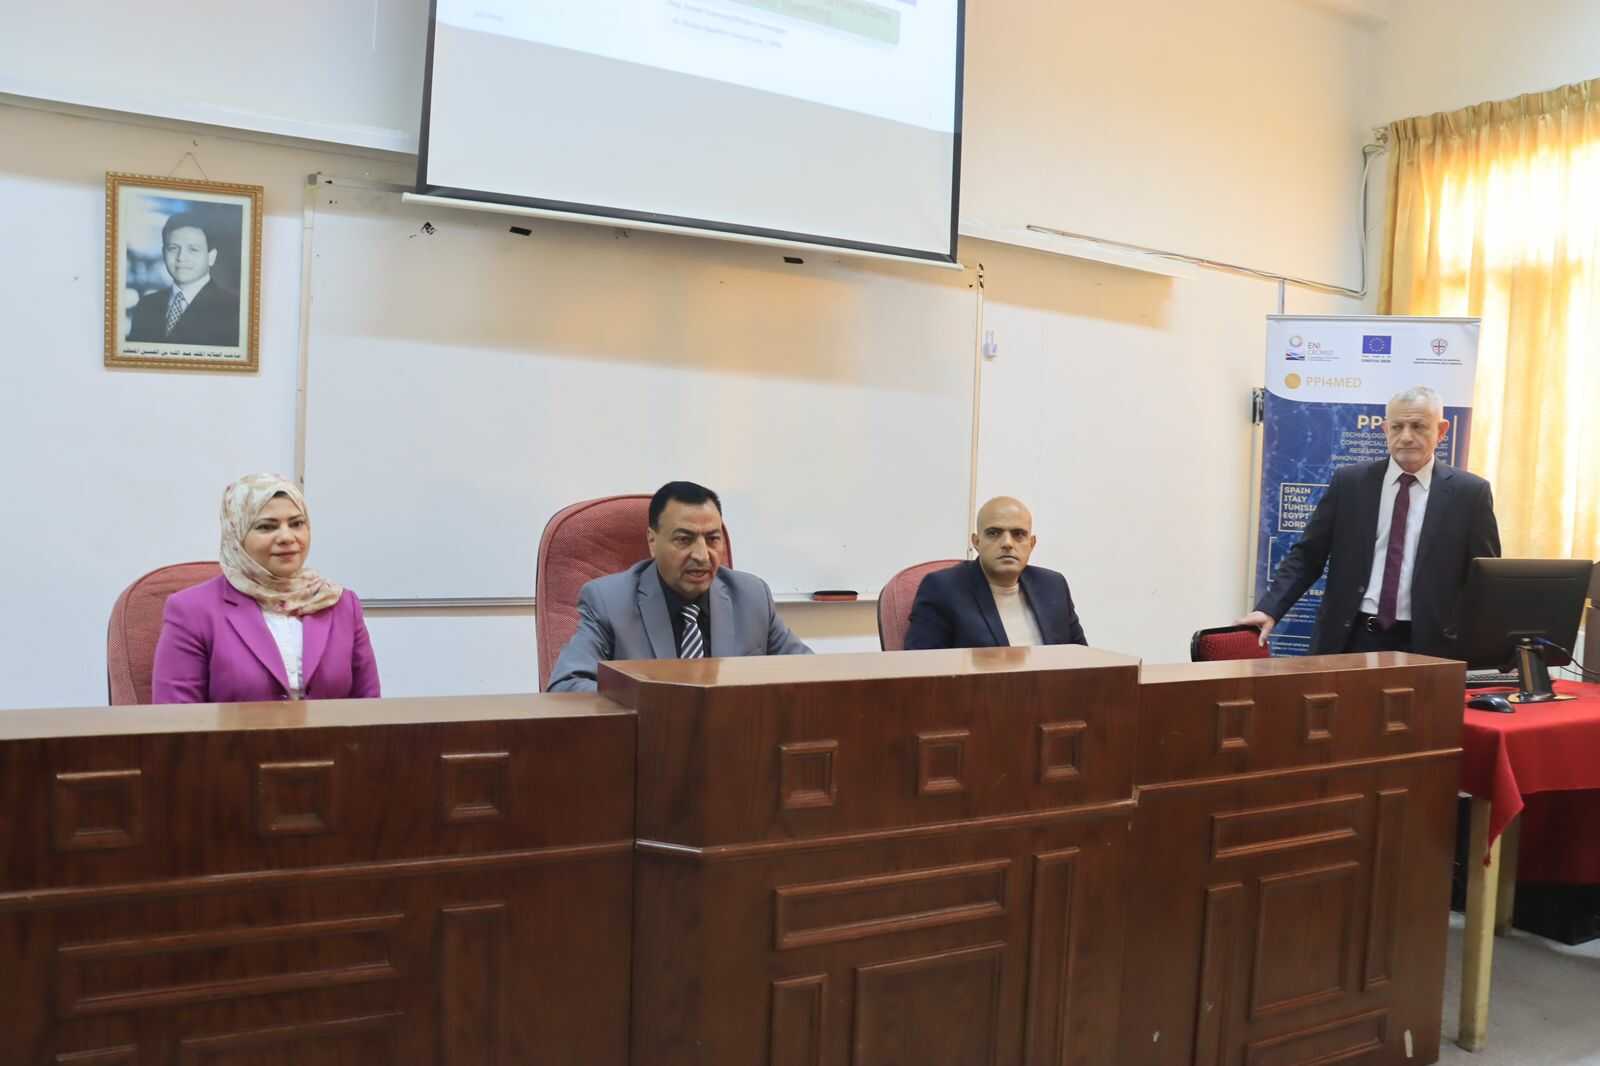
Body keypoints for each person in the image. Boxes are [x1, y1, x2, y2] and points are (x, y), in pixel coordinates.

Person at [1241, 385, 1501, 657]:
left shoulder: (1470, 494)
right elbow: (1308, 555)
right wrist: (1270, 609)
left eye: (1418, 426)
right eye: (1397, 427)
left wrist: (1492, 647)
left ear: (1442, 430)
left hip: (1430, 645)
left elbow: (1484, 579)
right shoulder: (1350, 483)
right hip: (1351, 638)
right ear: (1385, 429)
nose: (1406, 437)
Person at [547, 481, 811, 692]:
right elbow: (566, 686)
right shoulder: (609, 601)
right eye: (684, 539)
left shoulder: (751, 597)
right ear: (652, 541)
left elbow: (812, 674)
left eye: (712, 539)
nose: (702, 556)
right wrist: (655, 706)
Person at [152, 474, 380, 702]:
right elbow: (177, 715)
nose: (287, 537)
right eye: (266, 527)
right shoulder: (192, 610)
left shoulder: (339, 603)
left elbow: (368, 706)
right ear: (236, 535)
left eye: (297, 523)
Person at [904, 496, 1087, 650]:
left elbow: (1082, 660)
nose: (1007, 543)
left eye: (1018, 534)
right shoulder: (942, 589)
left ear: (1031, 544)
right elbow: (922, 670)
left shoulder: (1053, 586)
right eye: (994, 533)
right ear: (976, 542)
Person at [126, 210, 241, 347]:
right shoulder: (146, 305)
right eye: (173, 248)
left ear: (211, 257)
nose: (181, 257)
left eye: (193, 249)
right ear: (163, 253)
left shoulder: (233, 309)